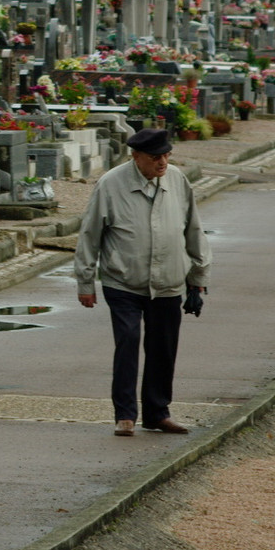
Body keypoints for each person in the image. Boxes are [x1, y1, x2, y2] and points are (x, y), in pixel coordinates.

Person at [75, 127, 210, 437]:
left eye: (166, 155)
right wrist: (85, 282)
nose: (162, 162)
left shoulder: (176, 180)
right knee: (128, 342)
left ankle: (157, 413)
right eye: (154, 157)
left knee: (163, 348)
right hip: (123, 281)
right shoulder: (111, 184)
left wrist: (198, 279)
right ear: (135, 157)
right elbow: (90, 234)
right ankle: (125, 414)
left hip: (168, 282)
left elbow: (193, 229)